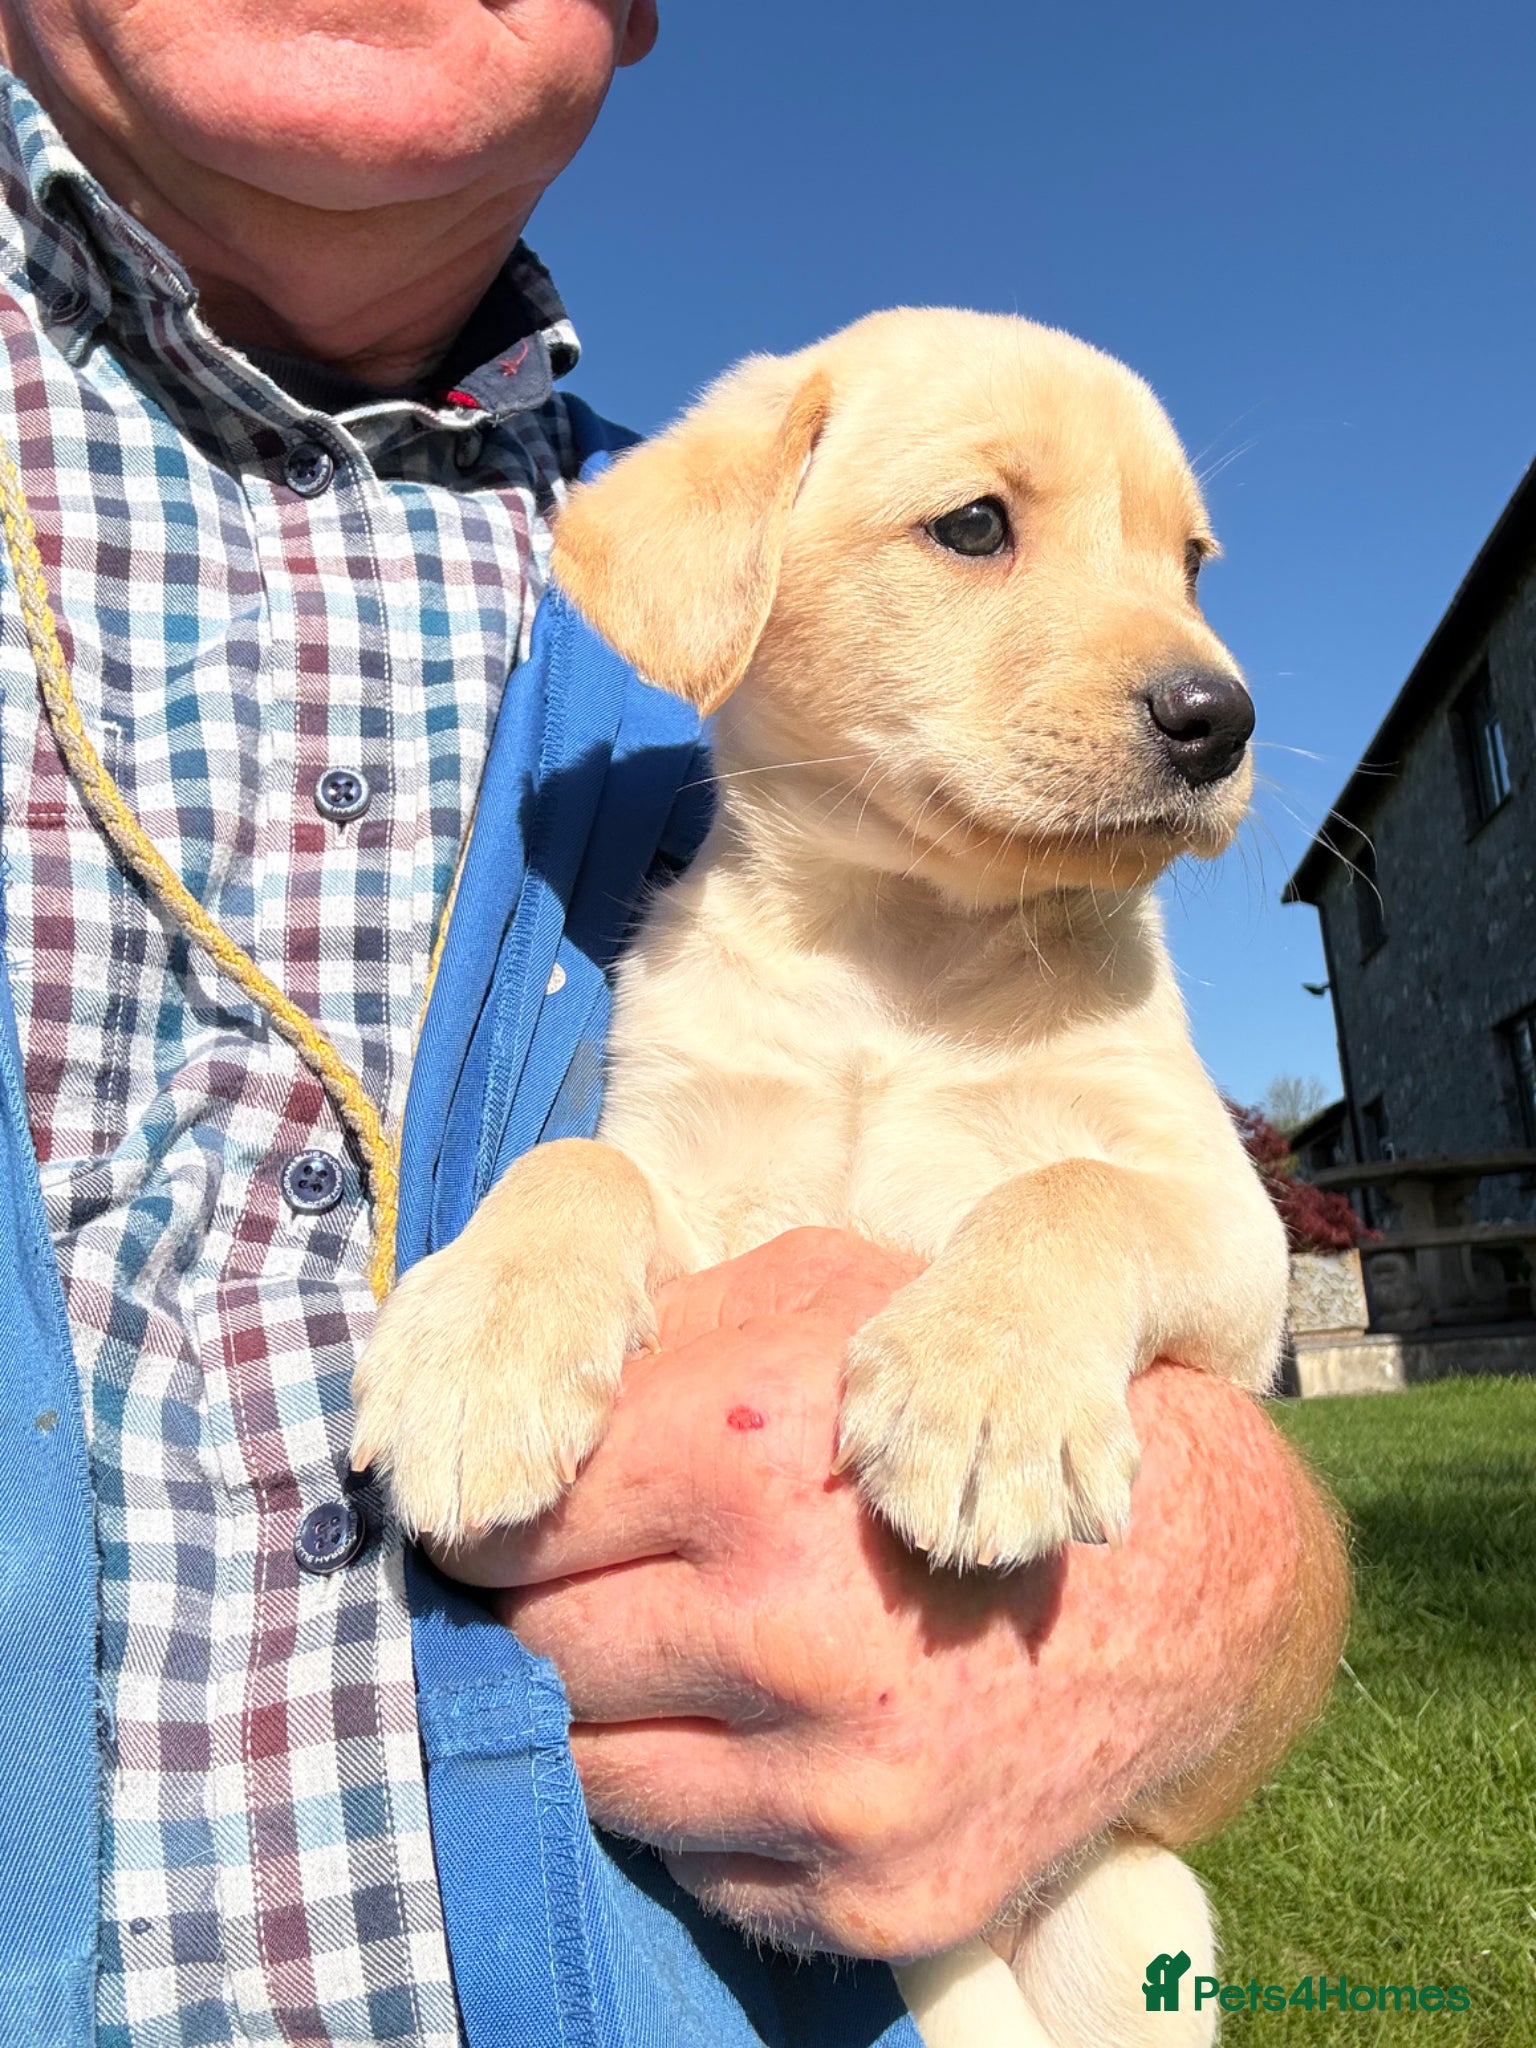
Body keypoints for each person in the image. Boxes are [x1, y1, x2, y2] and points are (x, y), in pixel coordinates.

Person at [0, 4, 1348, 2044]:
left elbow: (1211, 1268)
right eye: (984, 527)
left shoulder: (715, 707)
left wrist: (1212, 1594)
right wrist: (571, 1218)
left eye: (1185, 557)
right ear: (747, 567)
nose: (1193, 669)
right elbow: (659, 1168)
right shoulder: (713, 617)